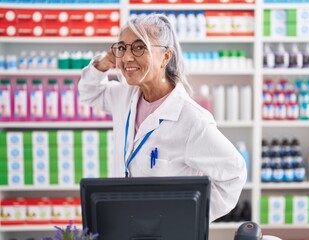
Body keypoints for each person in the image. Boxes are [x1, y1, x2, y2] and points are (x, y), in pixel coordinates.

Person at [78, 13, 247, 222]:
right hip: (125, 221)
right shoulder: (124, 96)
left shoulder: (192, 120)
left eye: (139, 47)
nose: (128, 57)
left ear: (166, 57)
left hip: (168, 231)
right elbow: (89, 92)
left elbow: (234, 174)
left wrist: (188, 215)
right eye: (122, 48)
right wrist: (105, 62)